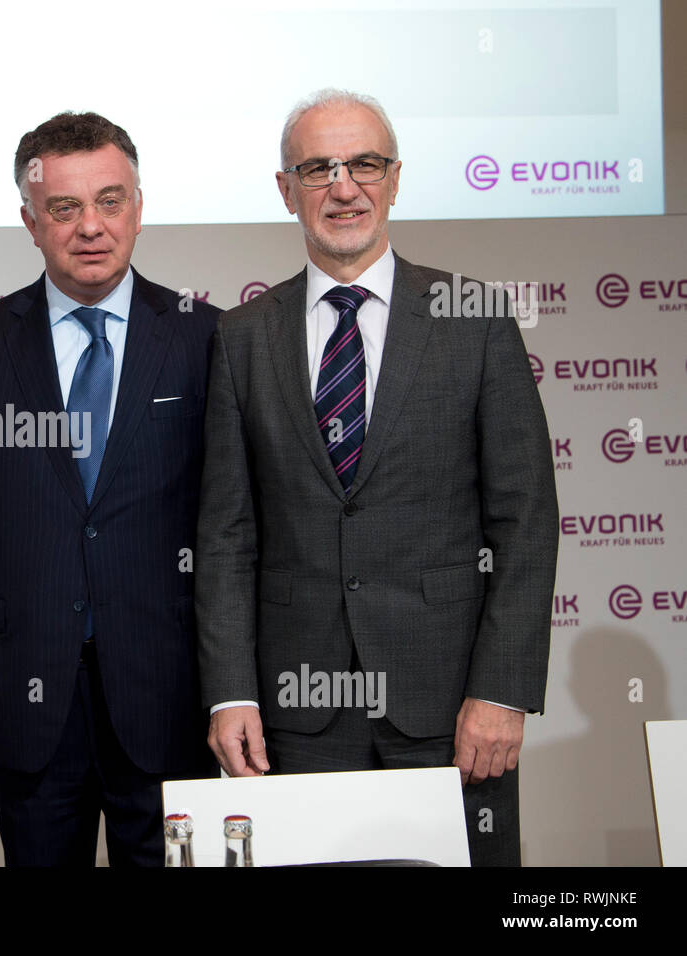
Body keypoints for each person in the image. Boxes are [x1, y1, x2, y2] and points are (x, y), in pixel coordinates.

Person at [197, 89, 559, 866]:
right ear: (285, 189)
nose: (343, 185)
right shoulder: (241, 338)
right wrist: (233, 692)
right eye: (318, 168)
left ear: (394, 179)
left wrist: (502, 690)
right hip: (297, 715)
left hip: (452, 709)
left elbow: (524, 522)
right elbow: (226, 537)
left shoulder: (475, 318)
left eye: (364, 163)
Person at [0, 112, 219, 867]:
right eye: (64, 208)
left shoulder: (207, 337)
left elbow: (236, 526)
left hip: (169, 691)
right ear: (30, 221)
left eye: (110, 201)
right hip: (28, 696)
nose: (91, 226)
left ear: (139, 209)